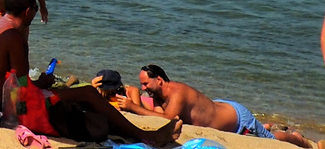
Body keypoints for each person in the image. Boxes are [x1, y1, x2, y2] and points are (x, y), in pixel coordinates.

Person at [0, 0, 180, 147]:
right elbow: (23, 90)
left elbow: (2, 77)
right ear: (29, 10)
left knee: (77, 100)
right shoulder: (14, 37)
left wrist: (46, 86)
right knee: (86, 92)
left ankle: (137, 133)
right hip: (17, 110)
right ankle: (146, 136)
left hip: (1, 103)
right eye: (36, 9)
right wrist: (47, 89)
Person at [128, 64, 309, 145]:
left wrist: (133, 107)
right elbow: (161, 119)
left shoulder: (178, 92)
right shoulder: (159, 95)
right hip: (221, 111)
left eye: (145, 84)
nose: (143, 88)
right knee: (262, 131)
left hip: (238, 120)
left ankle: (298, 139)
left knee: (270, 141)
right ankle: (266, 126)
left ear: (159, 80)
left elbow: (169, 118)